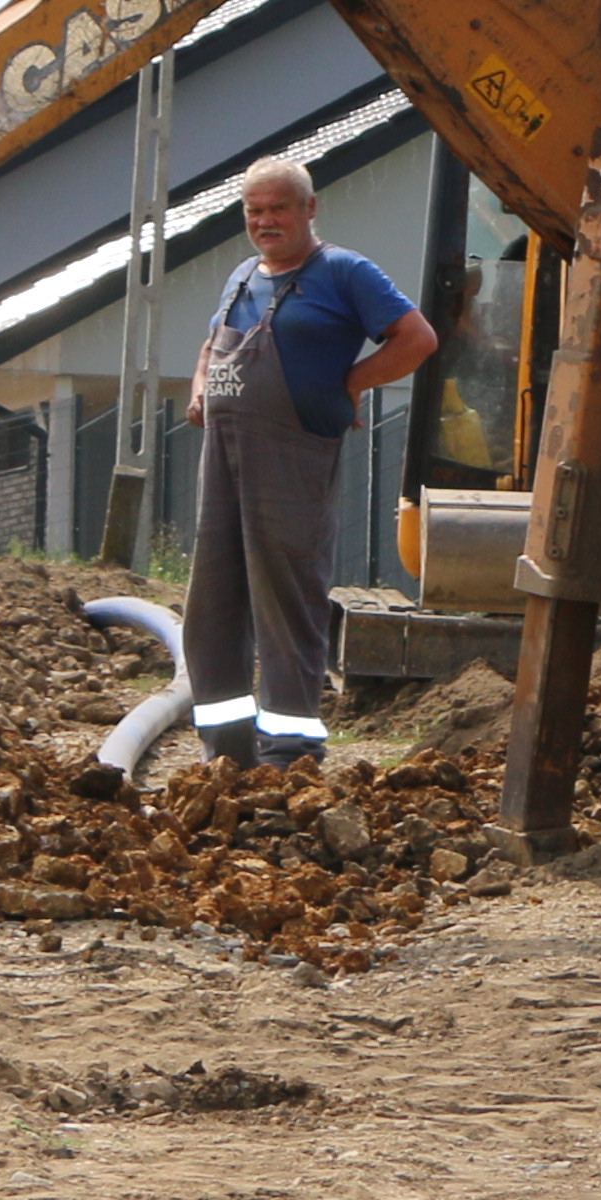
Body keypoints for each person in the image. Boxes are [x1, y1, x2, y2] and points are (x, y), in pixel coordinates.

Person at [181, 154, 437, 769]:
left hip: (292, 456)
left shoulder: (345, 272)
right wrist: (199, 386)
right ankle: (227, 748)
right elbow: (211, 339)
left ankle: (289, 749)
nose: (265, 222)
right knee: (212, 601)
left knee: (285, 596)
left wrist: (351, 384)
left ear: (309, 208)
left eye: (278, 209)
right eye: (255, 211)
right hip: (224, 458)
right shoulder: (242, 275)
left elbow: (418, 338)